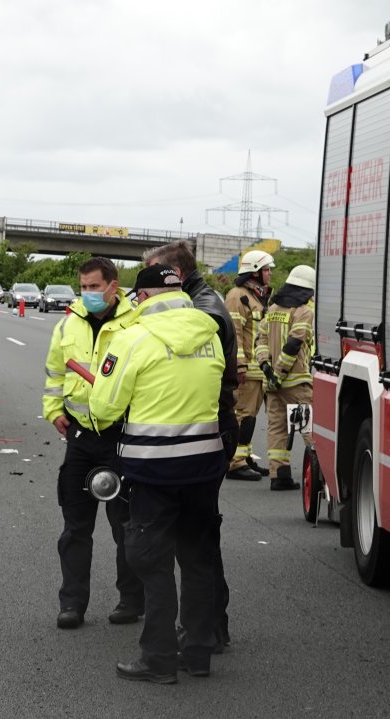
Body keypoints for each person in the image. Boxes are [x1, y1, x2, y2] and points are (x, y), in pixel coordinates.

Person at [90, 264, 227, 684]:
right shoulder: (211, 335)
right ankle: (199, 653)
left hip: (153, 469)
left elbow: (103, 408)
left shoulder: (133, 339)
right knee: (200, 558)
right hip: (204, 464)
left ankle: (159, 658)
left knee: (152, 561)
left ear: (143, 298)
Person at [143, 239, 234, 651]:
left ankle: (207, 628)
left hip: (205, 425)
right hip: (206, 424)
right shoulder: (196, 300)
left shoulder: (202, 309)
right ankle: (207, 628)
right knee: (197, 536)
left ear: (173, 276)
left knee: (196, 539)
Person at [42, 257, 142, 629]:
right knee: (75, 527)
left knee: (125, 526)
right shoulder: (69, 323)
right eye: (83, 288)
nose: (88, 295)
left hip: (121, 436)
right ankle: (72, 604)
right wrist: (53, 411)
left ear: (114, 287)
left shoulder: (135, 324)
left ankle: (131, 600)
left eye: (94, 288)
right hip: (80, 436)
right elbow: (55, 370)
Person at [255, 265, 316, 491]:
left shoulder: (272, 309)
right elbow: (294, 343)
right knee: (308, 429)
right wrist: (279, 373)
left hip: (272, 385)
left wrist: (267, 369)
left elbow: (259, 342)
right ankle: (319, 476)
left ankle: (279, 476)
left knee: (277, 429)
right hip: (295, 383)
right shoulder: (303, 311)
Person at [224, 250, 276, 481]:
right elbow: (233, 333)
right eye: (266, 269)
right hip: (247, 370)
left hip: (258, 370)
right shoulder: (237, 296)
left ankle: (244, 459)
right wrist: (240, 366)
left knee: (250, 416)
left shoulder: (257, 297)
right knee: (242, 415)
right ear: (254, 271)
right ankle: (234, 463)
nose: (270, 273)